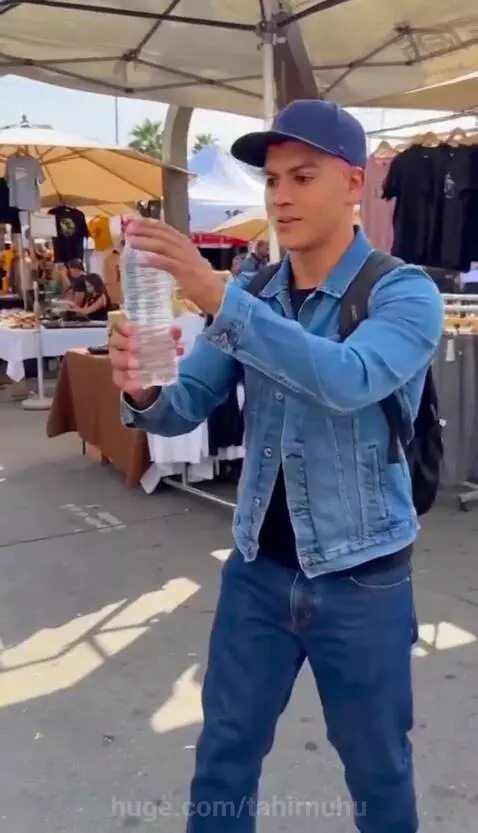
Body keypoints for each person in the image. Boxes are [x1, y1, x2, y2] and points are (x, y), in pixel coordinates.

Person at [110, 99, 444, 833]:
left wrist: (215, 293)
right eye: (271, 180)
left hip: (363, 577)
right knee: (224, 754)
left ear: (354, 183)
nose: (281, 195)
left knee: (379, 771)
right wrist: (142, 387)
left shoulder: (403, 293)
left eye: (303, 175)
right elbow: (185, 402)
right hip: (258, 572)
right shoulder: (257, 291)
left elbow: (346, 379)